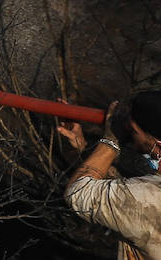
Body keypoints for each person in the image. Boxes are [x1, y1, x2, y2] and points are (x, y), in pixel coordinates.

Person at [57, 91, 161, 260]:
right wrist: (84, 150)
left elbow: (77, 192)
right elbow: (128, 191)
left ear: (157, 144)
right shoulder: (148, 193)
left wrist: (112, 139)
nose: (131, 137)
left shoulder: (148, 199)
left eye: (132, 130)